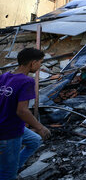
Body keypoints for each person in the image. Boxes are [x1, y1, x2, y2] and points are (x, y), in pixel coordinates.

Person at [0, 48, 51, 179]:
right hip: (9, 131)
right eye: (40, 62)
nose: (40, 65)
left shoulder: (5, 76)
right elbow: (22, 111)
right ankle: (9, 171)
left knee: (35, 141)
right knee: (7, 174)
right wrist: (40, 127)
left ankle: (13, 166)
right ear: (33, 63)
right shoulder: (27, 81)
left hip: (7, 124)